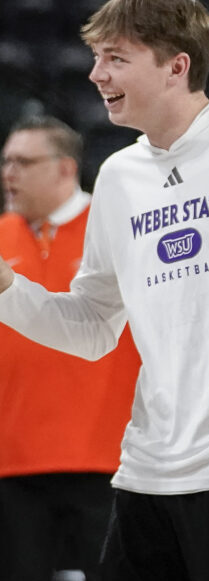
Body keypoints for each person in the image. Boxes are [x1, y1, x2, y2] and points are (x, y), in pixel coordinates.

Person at [0, 0, 209, 580]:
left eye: (115, 58)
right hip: (146, 468)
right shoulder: (119, 175)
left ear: (176, 66)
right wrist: (7, 290)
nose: (94, 73)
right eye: (96, 57)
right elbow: (93, 328)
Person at [0, 117, 140, 581]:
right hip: (13, 460)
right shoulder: (1, 237)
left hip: (109, 457)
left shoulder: (117, 224)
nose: (9, 173)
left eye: (23, 161)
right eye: (5, 162)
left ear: (65, 168)